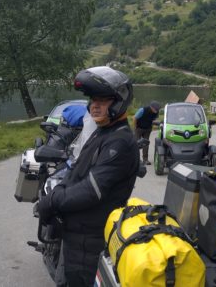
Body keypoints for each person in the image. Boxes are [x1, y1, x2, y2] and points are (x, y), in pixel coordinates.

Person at [37, 66, 139, 287]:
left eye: (103, 99)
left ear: (119, 101)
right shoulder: (103, 133)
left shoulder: (119, 142)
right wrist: (58, 190)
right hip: (77, 235)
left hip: (90, 241)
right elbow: (76, 170)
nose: (95, 105)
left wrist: (53, 201)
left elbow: (90, 190)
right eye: (93, 99)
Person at [133, 100, 160, 164]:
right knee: (137, 144)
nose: (156, 111)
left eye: (157, 109)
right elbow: (134, 118)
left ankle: (145, 160)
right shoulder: (142, 110)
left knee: (146, 144)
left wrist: (155, 123)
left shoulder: (156, 112)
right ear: (151, 107)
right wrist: (135, 127)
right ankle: (135, 160)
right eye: (155, 109)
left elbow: (154, 119)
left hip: (148, 129)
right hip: (139, 128)